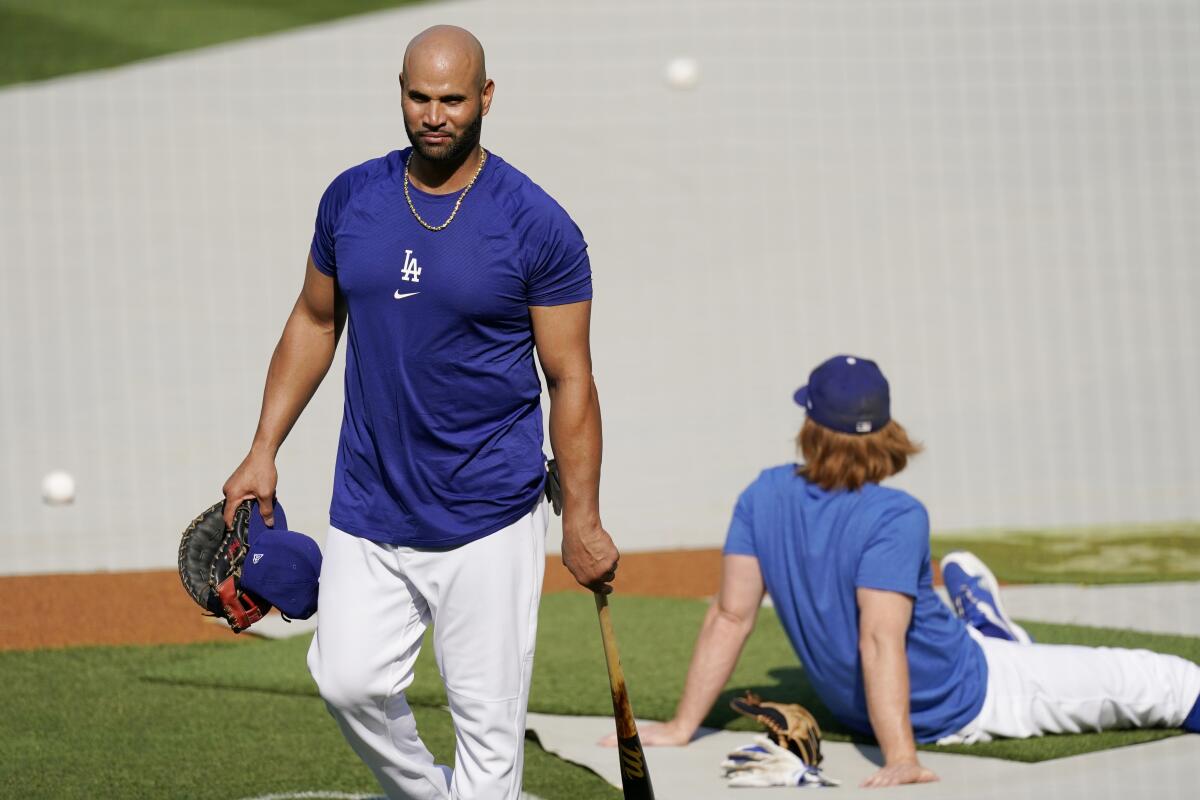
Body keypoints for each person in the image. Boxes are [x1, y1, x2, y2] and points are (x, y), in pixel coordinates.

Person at [221, 25, 619, 800]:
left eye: (451, 100)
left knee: (486, 727)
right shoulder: (352, 199)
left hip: (487, 515)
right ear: (399, 91)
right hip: (370, 503)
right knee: (346, 681)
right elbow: (313, 319)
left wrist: (583, 518)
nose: (433, 115)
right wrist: (262, 446)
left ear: (486, 99)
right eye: (418, 97)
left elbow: (571, 378)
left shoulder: (537, 225)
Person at [628, 354, 1200, 788]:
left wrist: (683, 727)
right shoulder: (895, 514)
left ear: (809, 423)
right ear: (886, 428)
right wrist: (901, 756)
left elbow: (730, 615)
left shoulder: (763, 493)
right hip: (974, 696)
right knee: (1173, 683)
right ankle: (987, 631)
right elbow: (879, 639)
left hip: (896, 691)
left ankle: (988, 629)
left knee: (998, 650)